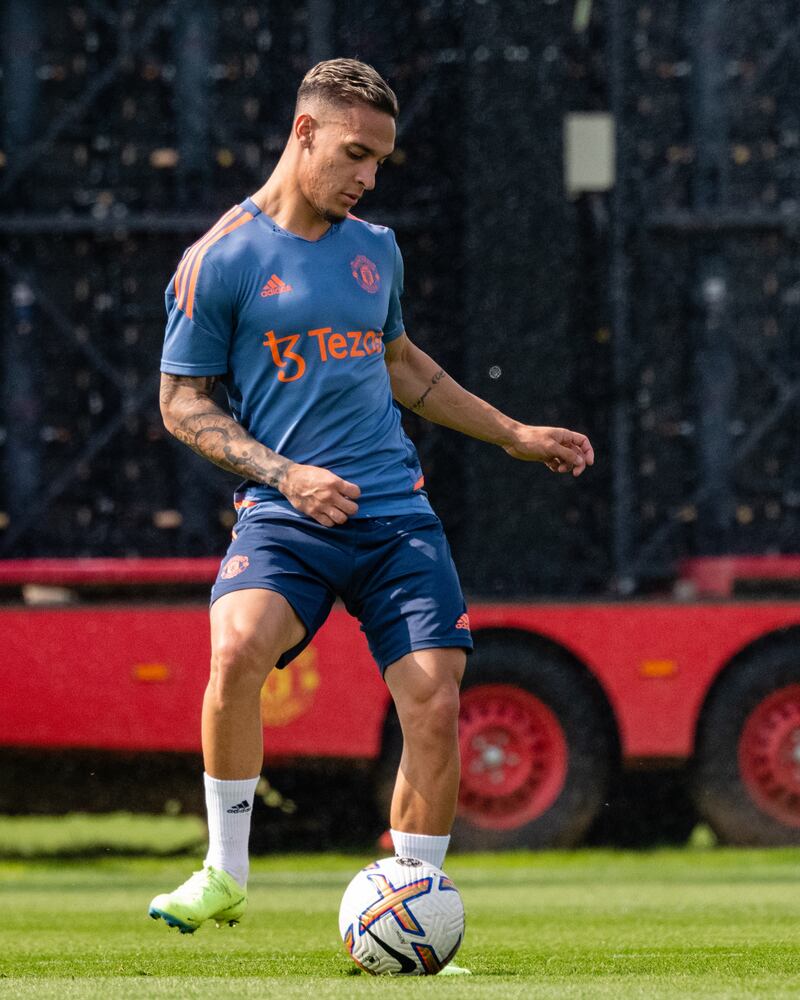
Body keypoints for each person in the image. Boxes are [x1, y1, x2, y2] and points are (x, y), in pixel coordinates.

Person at [149, 58, 593, 961]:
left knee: (434, 700)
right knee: (236, 650)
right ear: (304, 132)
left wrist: (510, 432)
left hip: (395, 516)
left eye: (380, 162)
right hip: (287, 516)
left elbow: (401, 364)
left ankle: (419, 904)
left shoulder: (375, 247)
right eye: (356, 154)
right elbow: (182, 403)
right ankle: (225, 871)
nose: (368, 177)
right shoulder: (218, 261)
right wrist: (283, 475)